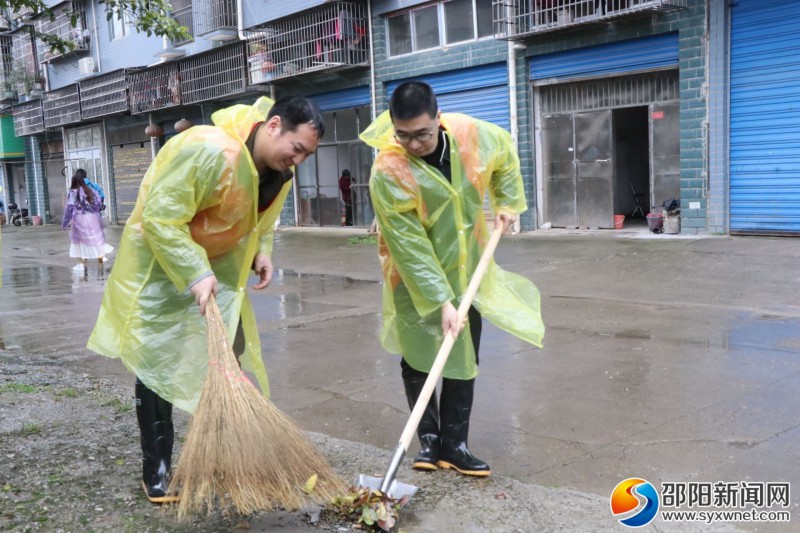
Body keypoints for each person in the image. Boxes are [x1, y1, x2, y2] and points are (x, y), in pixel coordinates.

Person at [87, 96, 324, 503]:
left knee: (225, 362)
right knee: (160, 360)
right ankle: (157, 469)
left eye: (306, 154)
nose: (298, 160)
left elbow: (259, 222)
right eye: (297, 148)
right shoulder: (210, 150)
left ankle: (219, 458)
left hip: (220, 277)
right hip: (165, 270)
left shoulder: (277, 173)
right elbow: (161, 217)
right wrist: (194, 272)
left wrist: (262, 252)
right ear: (273, 126)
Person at [360, 81, 545, 478]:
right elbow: (409, 247)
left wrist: (507, 203)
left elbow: (505, 155)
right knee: (417, 353)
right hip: (410, 276)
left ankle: (455, 445)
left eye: (422, 134)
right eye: (403, 135)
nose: (413, 144)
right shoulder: (387, 171)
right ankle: (428, 440)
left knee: (463, 352)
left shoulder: (471, 137)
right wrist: (440, 300)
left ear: (438, 120)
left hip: (467, 267)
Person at [61, 172, 114, 270]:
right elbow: (98, 203)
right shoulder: (92, 191)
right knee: (95, 239)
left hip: (79, 218)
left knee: (78, 241)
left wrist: (65, 222)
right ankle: (102, 258)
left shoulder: (73, 193)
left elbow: (69, 208)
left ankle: (81, 264)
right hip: (93, 217)